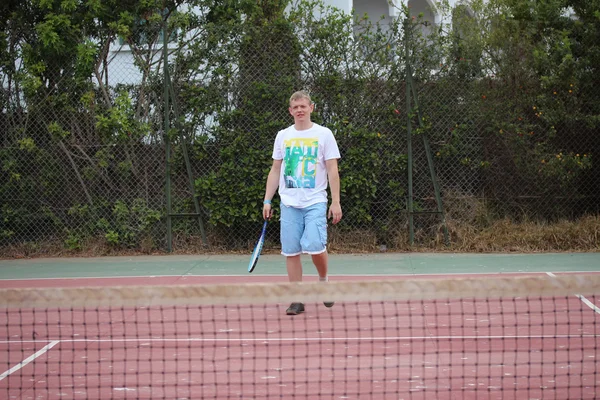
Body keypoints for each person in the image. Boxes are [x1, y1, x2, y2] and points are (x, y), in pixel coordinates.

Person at [262, 90, 342, 316]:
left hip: (316, 201)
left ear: (311, 108)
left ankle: (323, 280)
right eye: (295, 107)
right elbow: (275, 169)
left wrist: (335, 201)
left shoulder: (324, 134)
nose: (299, 110)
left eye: (303, 106)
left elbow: (332, 169)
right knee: (291, 251)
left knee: (315, 246)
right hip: (289, 204)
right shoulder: (282, 136)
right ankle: (297, 299)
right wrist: (268, 199)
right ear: (290, 111)